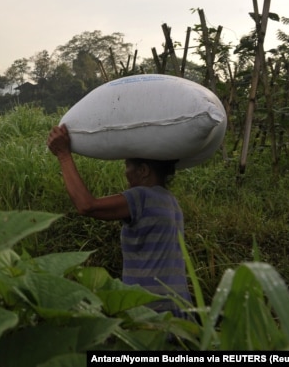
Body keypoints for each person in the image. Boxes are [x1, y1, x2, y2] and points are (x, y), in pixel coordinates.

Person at [46, 123, 192, 319]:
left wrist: (64, 155)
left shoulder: (141, 197)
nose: (125, 173)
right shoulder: (170, 201)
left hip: (148, 308)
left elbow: (87, 205)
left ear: (143, 171)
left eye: (127, 167)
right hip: (179, 305)